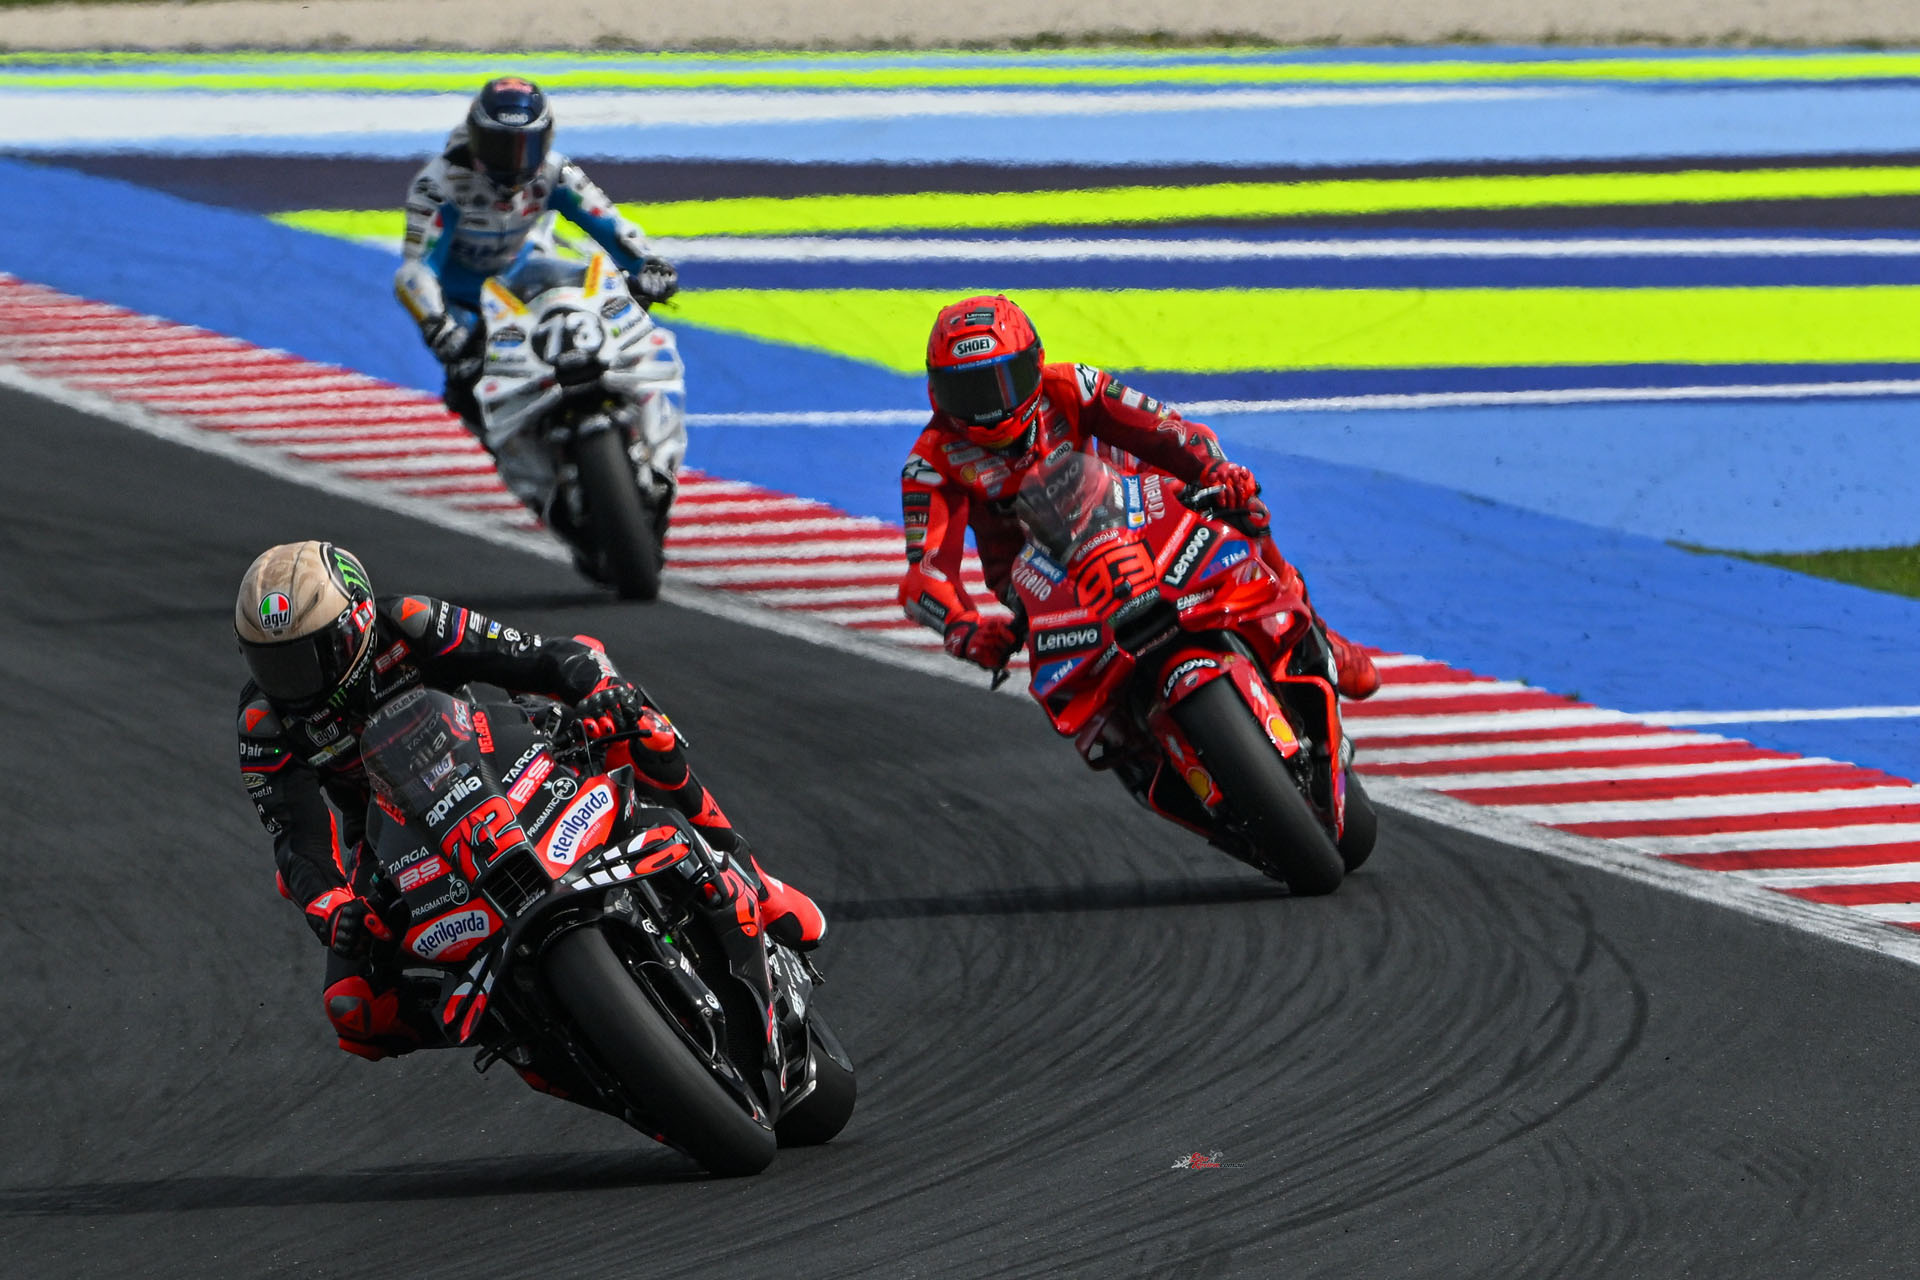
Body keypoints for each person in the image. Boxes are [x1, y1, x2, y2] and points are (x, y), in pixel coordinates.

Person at [235, 541, 824, 1062]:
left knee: (642, 732)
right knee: (353, 1008)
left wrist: (599, 691)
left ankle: (746, 871)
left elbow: (538, 655)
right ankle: (525, 1035)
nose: (292, 681)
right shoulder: (264, 722)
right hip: (388, 836)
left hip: (499, 757)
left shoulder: (410, 621)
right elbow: (296, 839)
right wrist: (334, 908)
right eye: (271, 663)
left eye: (309, 656)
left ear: (357, 625)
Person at [897, 293, 1380, 698]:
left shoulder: (1073, 385)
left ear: (1035, 364)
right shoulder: (931, 462)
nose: (990, 407)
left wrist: (1216, 470)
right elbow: (925, 575)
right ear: (937, 393)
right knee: (1069, 692)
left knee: (1242, 508)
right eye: (969, 392)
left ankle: (1310, 630)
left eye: (1002, 382)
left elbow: (1165, 429)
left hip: (1128, 515)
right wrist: (963, 629)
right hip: (1039, 582)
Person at [393, 75, 684, 514]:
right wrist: (439, 326)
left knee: (627, 335)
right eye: (500, 146)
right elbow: (417, 268)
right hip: (470, 308)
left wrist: (648, 263)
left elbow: (608, 221)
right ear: (475, 139)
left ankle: (653, 453)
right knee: (467, 389)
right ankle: (537, 485)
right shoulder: (440, 184)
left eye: (526, 146)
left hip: (535, 283)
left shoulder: (555, 172)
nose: (515, 161)